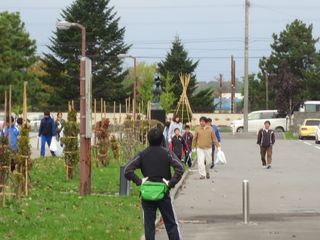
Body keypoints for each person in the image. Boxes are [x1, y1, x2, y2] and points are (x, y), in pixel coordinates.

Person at [124, 128, 184, 240]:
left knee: (149, 226)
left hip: (147, 194)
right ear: (162, 139)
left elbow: (127, 170)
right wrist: (170, 183)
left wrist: (139, 181)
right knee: (171, 223)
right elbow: (180, 168)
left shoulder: (142, 154)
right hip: (163, 192)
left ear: (148, 139)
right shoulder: (167, 153)